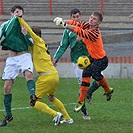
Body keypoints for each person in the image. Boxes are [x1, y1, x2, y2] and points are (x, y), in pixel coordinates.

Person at [53, 11, 114, 112]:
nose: (91, 19)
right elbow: (77, 24)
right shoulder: (87, 25)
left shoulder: (94, 32)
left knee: (95, 75)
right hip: (92, 58)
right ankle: (81, 101)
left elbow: (79, 31)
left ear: (98, 23)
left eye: (94, 19)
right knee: (85, 75)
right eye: (91, 17)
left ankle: (107, 89)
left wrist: (64, 25)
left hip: (101, 60)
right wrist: (63, 20)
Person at [18, 17, 74, 125]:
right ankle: (68, 118)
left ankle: (56, 115)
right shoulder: (41, 44)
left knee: (33, 102)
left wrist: (19, 18)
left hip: (46, 77)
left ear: (36, 35)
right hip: (54, 75)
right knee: (51, 97)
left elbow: (29, 31)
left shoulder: (37, 41)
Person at [0, 5, 36, 127]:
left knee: (29, 74)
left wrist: (25, 34)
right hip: (11, 59)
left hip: (24, 55)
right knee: (6, 87)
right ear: (11, 13)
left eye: (20, 12)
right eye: (16, 12)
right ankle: (8, 115)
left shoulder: (24, 25)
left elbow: (32, 43)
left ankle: (33, 95)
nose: (18, 13)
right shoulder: (6, 25)